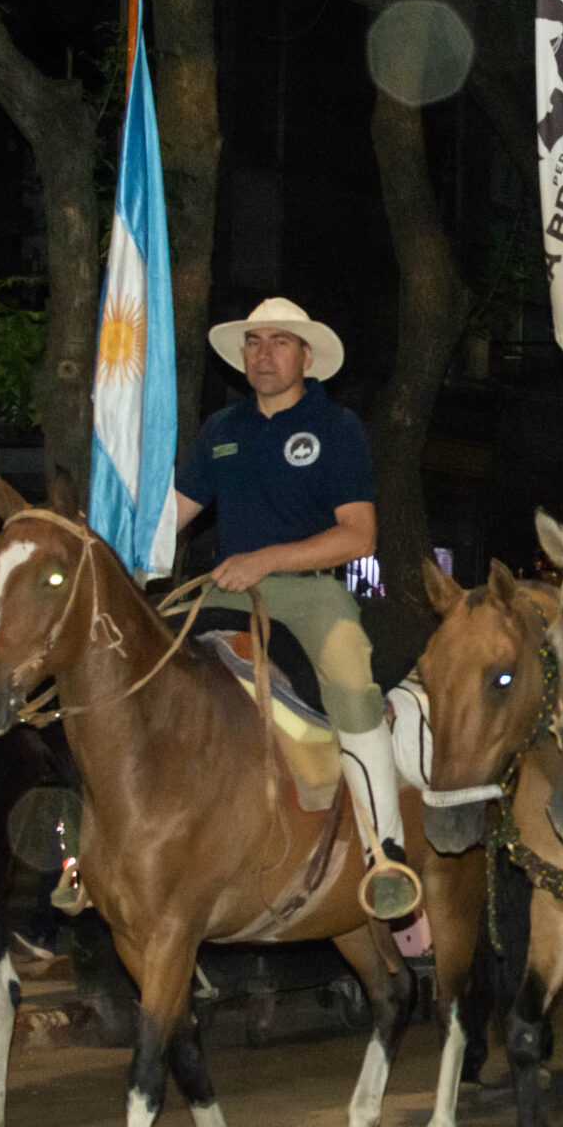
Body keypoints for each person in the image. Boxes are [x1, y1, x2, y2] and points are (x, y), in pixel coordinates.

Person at [174, 296, 410, 916]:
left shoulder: (337, 428)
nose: (264, 353)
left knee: (353, 681)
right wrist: (104, 535)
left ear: (307, 356)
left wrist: (269, 558)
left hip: (309, 591)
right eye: (255, 341)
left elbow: (359, 536)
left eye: (280, 342)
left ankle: (385, 850)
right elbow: (172, 517)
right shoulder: (220, 431)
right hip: (225, 588)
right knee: (140, 664)